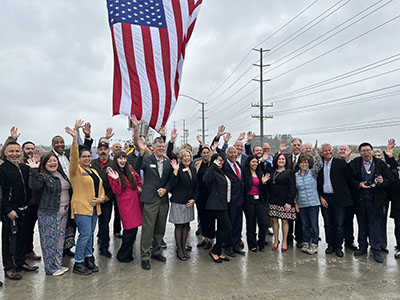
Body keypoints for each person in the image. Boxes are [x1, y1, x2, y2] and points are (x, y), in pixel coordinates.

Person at [65, 126, 105, 275]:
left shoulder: (93, 170)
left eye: (89, 156)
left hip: (94, 208)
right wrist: (75, 139)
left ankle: (89, 258)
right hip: (82, 207)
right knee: (84, 235)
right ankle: (78, 262)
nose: (87, 158)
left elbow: (100, 187)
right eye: (84, 156)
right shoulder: (76, 171)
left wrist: (100, 199)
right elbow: (74, 157)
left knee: (90, 234)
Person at [134, 121, 173, 270]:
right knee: (148, 228)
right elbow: (137, 169)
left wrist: (166, 189)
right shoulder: (147, 159)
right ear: (154, 148)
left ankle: (156, 251)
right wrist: (141, 153)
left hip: (163, 199)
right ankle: (145, 256)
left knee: (160, 227)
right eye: (159, 146)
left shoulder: (168, 162)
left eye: (163, 146)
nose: (161, 148)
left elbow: (171, 180)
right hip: (150, 199)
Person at [27, 153, 71, 276]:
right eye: (49, 161)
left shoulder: (61, 174)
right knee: (49, 242)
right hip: (49, 213)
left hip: (64, 212)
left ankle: (58, 264)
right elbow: (34, 185)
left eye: (54, 160)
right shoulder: (42, 176)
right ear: (44, 164)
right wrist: (33, 169)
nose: (52, 163)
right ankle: (50, 269)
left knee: (60, 239)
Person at [0, 141, 39, 280]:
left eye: (17, 151)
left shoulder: (24, 167)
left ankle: (20, 262)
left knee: (22, 238)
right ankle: (9, 267)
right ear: (5, 153)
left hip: (25, 209)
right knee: (10, 240)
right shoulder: (3, 169)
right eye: (11, 151)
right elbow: (1, 194)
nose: (14, 154)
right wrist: (7, 210)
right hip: (10, 211)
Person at [349, 142, 392, 263]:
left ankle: (376, 250)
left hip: (376, 200)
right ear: (360, 152)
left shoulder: (380, 164)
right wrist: (358, 184)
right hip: (360, 200)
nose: (366, 153)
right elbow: (349, 178)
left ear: (372, 151)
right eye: (363, 151)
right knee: (362, 225)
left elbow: (389, 180)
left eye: (368, 150)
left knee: (375, 227)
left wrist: (382, 181)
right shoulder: (356, 163)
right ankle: (362, 247)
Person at [317, 144, 354, 258]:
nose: (328, 152)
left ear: (332, 151)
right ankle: (330, 245)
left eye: (329, 150)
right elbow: (317, 182)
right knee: (328, 224)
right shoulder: (319, 165)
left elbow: (350, 174)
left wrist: (347, 159)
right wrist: (321, 197)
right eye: (325, 151)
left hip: (339, 198)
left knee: (339, 224)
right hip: (325, 198)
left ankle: (338, 246)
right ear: (322, 153)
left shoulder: (340, 163)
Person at [108, 151, 143, 263]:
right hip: (125, 204)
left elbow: (137, 179)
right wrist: (117, 179)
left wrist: (139, 187)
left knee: (134, 229)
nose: (122, 161)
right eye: (120, 158)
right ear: (116, 160)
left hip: (134, 202)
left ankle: (128, 253)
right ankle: (123, 254)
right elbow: (116, 190)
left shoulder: (130, 169)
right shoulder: (112, 172)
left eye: (124, 158)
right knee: (129, 229)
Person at [169, 149, 198, 261]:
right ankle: (179, 249)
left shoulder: (193, 169)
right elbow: (172, 185)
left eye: (189, 156)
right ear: (181, 158)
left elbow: (196, 185)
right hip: (178, 201)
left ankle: (184, 246)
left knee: (186, 224)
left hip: (189, 202)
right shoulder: (178, 168)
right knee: (179, 225)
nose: (187, 158)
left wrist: (194, 199)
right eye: (185, 156)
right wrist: (175, 173)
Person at [203, 153, 232, 263]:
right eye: (218, 160)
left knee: (221, 230)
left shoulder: (223, 172)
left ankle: (218, 252)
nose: (220, 162)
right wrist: (213, 166)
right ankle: (214, 251)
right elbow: (206, 180)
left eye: (222, 160)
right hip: (217, 206)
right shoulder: (213, 171)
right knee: (228, 229)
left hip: (226, 204)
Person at [265, 153, 296, 252]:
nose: (281, 161)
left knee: (284, 221)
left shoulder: (289, 172)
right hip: (273, 200)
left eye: (283, 159)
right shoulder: (271, 170)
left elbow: (292, 188)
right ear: (275, 161)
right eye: (279, 159)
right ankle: (276, 240)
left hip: (285, 201)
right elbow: (262, 171)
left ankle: (284, 241)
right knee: (274, 220)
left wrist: (289, 202)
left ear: (286, 161)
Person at [295, 153, 323, 255]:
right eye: (302, 162)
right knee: (304, 225)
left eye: (306, 162)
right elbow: (295, 191)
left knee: (314, 225)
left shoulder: (312, 173)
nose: (304, 164)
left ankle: (314, 244)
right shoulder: (295, 176)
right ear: (299, 164)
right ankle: (306, 242)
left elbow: (319, 164)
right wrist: (296, 203)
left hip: (313, 203)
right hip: (302, 204)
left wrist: (316, 153)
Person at [91, 141, 115, 258]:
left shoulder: (113, 164)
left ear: (108, 151)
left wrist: (108, 197)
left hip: (106, 199)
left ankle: (104, 247)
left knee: (104, 224)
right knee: (90, 225)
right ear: (97, 151)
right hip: (92, 199)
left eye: (105, 149)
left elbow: (117, 184)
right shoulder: (92, 163)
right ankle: (88, 248)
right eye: (100, 149)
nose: (103, 151)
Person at [242, 155, 270, 252]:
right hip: (248, 200)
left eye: (256, 162)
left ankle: (261, 242)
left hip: (259, 200)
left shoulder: (260, 172)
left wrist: (263, 182)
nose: (255, 164)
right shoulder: (245, 173)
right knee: (251, 223)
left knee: (264, 223)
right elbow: (244, 187)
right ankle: (252, 244)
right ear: (249, 163)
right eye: (253, 162)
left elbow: (264, 189)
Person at [223, 146, 245, 257]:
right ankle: (228, 247)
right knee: (229, 225)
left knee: (238, 225)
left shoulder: (238, 165)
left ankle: (236, 245)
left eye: (235, 153)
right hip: (229, 201)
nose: (233, 155)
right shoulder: (224, 166)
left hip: (240, 200)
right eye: (231, 153)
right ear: (227, 154)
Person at [194, 146, 214, 250]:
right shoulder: (198, 164)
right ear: (200, 154)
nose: (206, 154)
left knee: (210, 217)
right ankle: (205, 238)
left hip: (210, 195)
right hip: (200, 195)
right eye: (204, 153)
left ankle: (210, 239)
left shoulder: (213, 164)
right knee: (202, 217)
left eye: (207, 152)